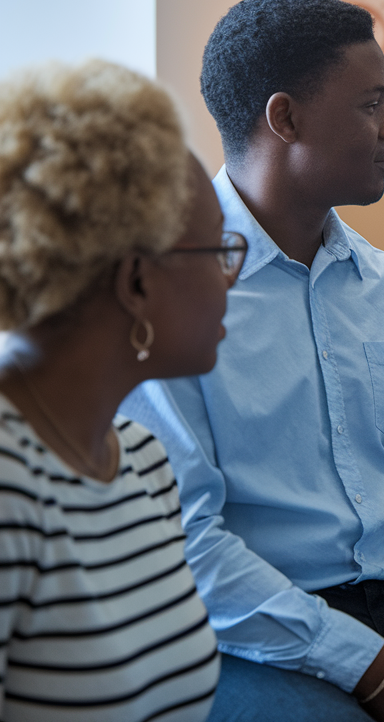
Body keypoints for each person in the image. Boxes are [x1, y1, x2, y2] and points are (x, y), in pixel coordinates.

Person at [121, 0, 384, 722]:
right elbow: (188, 544)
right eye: (370, 103)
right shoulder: (166, 296)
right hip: (248, 632)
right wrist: (380, 671)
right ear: (285, 118)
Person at [0, 60, 230, 720]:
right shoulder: (9, 487)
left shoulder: (142, 461)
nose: (231, 281)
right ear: (135, 282)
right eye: (217, 252)